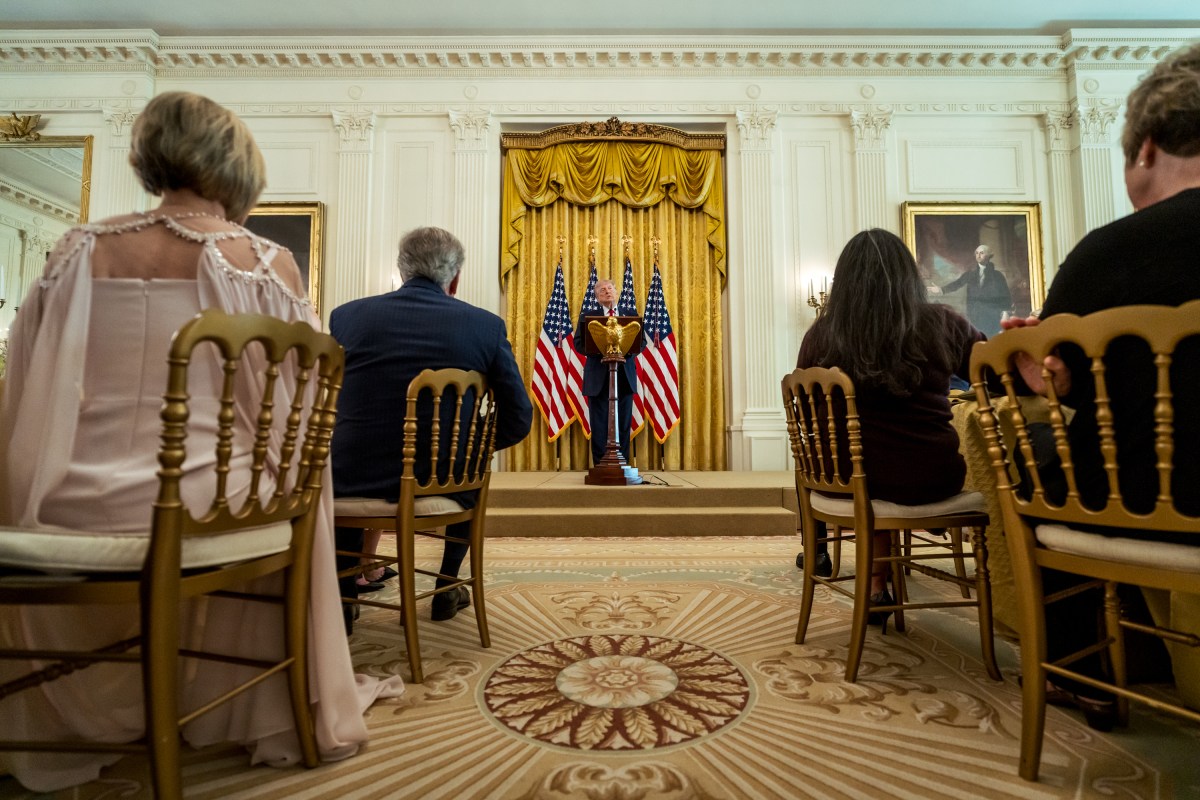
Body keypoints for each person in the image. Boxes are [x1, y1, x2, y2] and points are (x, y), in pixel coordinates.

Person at [0, 91, 401, 793]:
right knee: (274, 488)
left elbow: (25, 388)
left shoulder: (77, 249)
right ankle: (247, 700)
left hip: (63, 501)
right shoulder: (266, 263)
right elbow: (289, 422)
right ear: (239, 168)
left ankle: (81, 701)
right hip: (212, 506)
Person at [1000, 41, 1200, 729]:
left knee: (1042, 465)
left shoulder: (1104, 255)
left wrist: (1035, 364)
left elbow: (1059, 392)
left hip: (1136, 502)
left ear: (1146, 148)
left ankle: (1087, 673)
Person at [330, 226, 532, 629]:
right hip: (441, 479)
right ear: (454, 279)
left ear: (402, 270)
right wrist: (470, 451)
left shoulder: (346, 317)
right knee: (469, 475)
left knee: (349, 460)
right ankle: (445, 586)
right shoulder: (485, 326)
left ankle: (345, 597)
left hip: (351, 477)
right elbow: (519, 416)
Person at [796, 229, 985, 618]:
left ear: (843, 281)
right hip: (932, 477)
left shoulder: (821, 334)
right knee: (882, 464)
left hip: (846, 481)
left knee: (864, 461)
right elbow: (994, 372)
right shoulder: (943, 324)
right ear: (908, 276)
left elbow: (810, 415)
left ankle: (843, 565)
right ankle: (878, 583)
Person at [574, 278, 640, 464]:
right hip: (598, 378)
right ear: (596, 296)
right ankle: (600, 466)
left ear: (616, 292)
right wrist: (601, 350)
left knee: (623, 425)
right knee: (599, 424)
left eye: (610, 288)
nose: (606, 291)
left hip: (624, 377)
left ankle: (623, 466)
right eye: (602, 290)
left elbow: (640, 343)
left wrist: (621, 351)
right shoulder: (588, 317)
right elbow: (578, 344)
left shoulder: (630, 315)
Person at [930, 244, 1012, 335]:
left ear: (989, 256)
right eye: (977, 253)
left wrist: (1005, 313)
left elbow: (1005, 295)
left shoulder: (997, 276)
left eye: (982, 253)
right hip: (974, 314)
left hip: (992, 315)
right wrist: (941, 290)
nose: (978, 255)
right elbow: (958, 283)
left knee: (990, 339)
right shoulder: (970, 274)